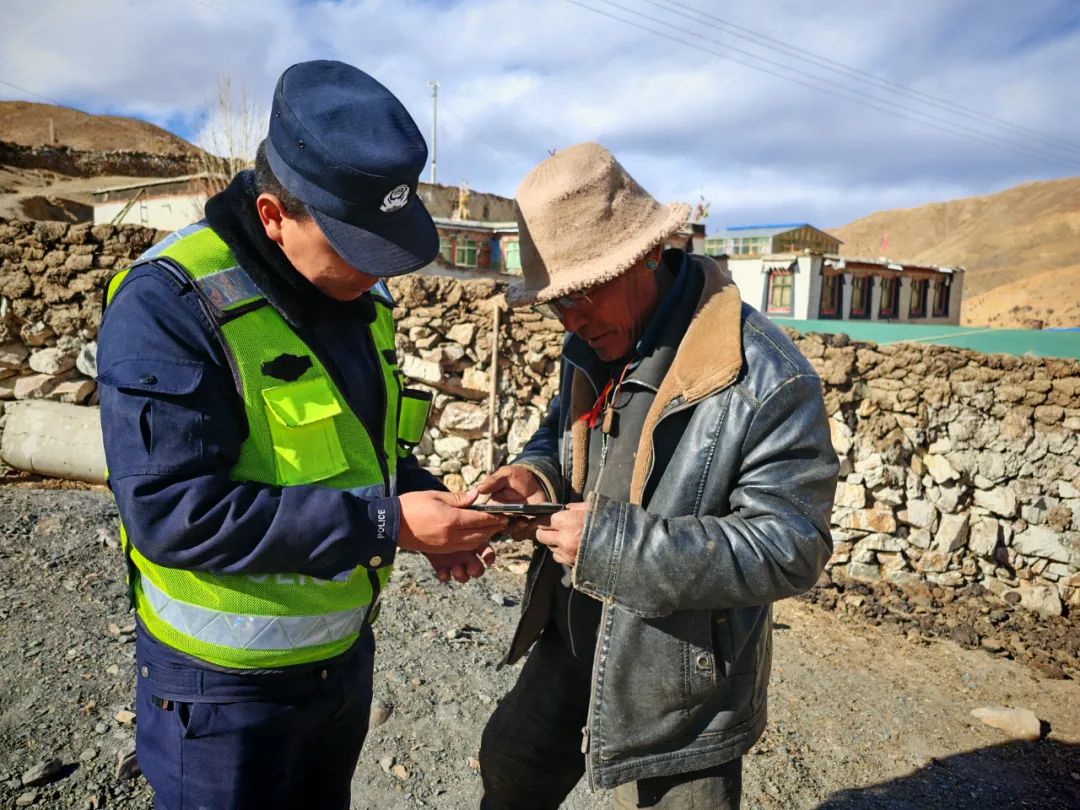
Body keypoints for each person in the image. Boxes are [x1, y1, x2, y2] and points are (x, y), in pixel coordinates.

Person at [96, 60, 505, 809]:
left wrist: (430, 510)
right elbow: (171, 512)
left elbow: (368, 451)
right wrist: (388, 526)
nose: (373, 273)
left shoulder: (362, 300)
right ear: (274, 215)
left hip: (339, 665)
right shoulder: (171, 302)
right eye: (353, 247)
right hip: (222, 699)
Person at [476, 143, 839, 809]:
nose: (570, 320)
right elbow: (562, 435)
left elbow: (792, 547)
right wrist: (536, 478)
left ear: (646, 254)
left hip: (682, 684)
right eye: (556, 302)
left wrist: (613, 547)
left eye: (582, 293)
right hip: (572, 632)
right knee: (511, 768)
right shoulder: (590, 340)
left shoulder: (766, 377)